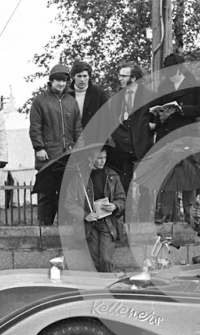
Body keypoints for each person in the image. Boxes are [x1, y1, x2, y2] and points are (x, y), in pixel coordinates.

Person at [154, 53, 200, 222]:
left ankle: (189, 213)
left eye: (174, 72)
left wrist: (182, 109)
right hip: (167, 135)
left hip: (187, 135)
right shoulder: (163, 86)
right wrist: (160, 116)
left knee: (188, 176)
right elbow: (156, 114)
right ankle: (165, 213)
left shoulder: (194, 85)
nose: (172, 76)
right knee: (167, 175)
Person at [29, 64, 82, 225]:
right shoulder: (40, 101)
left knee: (67, 193)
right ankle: (44, 228)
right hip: (47, 155)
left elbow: (77, 128)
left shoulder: (72, 102)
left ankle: (65, 228)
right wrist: (39, 147)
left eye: (64, 81)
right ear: (51, 81)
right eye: (58, 80)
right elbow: (35, 127)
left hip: (68, 155)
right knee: (47, 193)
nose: (61, 84)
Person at [64, 146, 126, 272]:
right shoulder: (79, 177)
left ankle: (108, 286)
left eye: (104, 158)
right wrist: (84, 215)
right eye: (99, 158)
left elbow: (122, 199)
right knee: (94, 261)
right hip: (90, 225)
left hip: (107, 223)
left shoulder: (112, 176)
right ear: (90, 158)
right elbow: (69, 203)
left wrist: (115, 206)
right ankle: (99, 287)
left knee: (106, 260)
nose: (102, 161)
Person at [108, 61, 156, 221]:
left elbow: (158, 118)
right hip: (123, 148)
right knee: (123, 185)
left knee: (145, 187)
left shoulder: (150, 95)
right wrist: (118, 138)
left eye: (123, 76)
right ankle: (125, 222)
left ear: (134, 77)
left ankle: (144, 222)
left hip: (144, 146)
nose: (119, 78)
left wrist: (151, 126)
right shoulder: (116, 98)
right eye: (119, 75)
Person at [69, 61, 109, 142]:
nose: (82, 79)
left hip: (93, 142)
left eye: (85, 76)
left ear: (89, 76)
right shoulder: (65, 94)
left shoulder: (99, 94)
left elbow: (105, 122)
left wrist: (103, 147)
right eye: (79, 76)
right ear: (73, 77)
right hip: (70, 143)